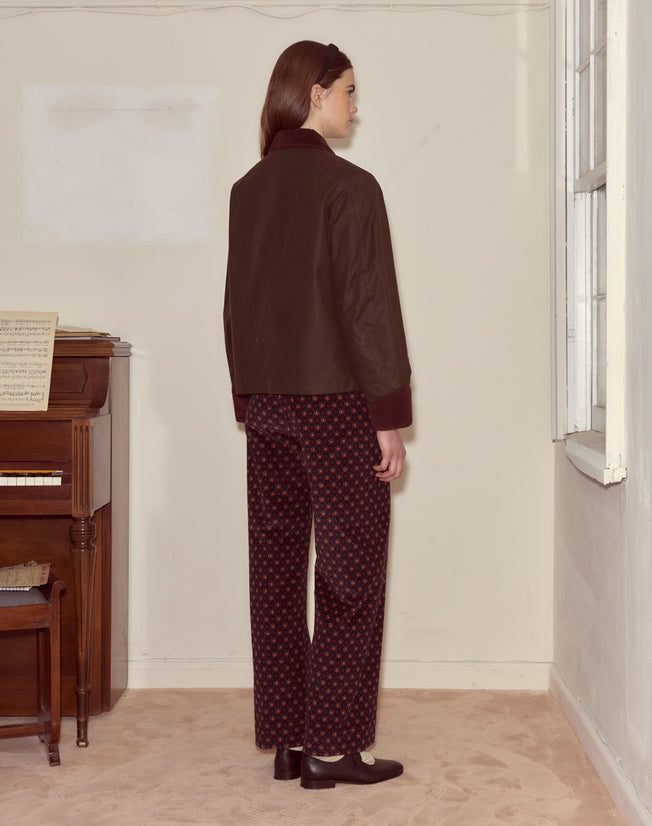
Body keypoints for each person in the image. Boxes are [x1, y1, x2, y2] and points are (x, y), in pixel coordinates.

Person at [223, 40, 412, 790]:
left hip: (266, 404)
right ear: (314, 93)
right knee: (350, 573)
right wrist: (387, 415)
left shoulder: (248, 189)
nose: (355, 107)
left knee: (274, 572)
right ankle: (333, 746)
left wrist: (246, 398)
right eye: (349, 92)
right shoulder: (351, 188)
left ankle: (291, 741)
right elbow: (369, 311)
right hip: (337, 405)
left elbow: (238, 304)